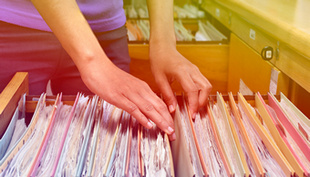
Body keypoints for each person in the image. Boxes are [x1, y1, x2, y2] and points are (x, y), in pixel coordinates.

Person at [0, 0, 212, 141]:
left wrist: (164, 42)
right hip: (17, 25)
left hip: (106, 30)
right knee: (13, 147)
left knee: (109, 146)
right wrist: (93, 61)